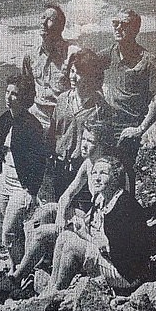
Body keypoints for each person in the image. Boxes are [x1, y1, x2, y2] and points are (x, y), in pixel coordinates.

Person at [11, 121, 115, 285]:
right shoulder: (88, 163)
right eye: (84, 139)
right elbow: (67, 195)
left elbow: (113, 214)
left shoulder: (108, 171)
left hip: (99, 230)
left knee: (41, 233)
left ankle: (17, 277)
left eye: (91, 141)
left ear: (102, 144)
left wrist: (81, 226)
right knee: (47, 210)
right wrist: (60, 216)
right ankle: (39, 261)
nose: (84, 145)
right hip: (91, 218)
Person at [46, 156, 152, 295]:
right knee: (64, 236)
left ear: (115, 178)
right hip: (113, 261)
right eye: (94, 173)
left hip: (126, 274)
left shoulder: (124, 206)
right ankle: (51, 288)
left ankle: (57, 293)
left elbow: (112, 250)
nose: (97, 178)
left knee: (71, 245)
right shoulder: (102, 197)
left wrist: (84, 234)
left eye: (103, 173)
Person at [99, 9, 156, 195]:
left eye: (125, 24)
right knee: (101, 171)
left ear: (136, 29)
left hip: (127, 130)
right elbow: (86, 67)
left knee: (124, 173)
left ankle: (127, 216)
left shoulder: (147, 61)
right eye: (115, 23)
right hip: (105, 126)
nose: (118, 28)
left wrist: (141, 128)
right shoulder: (108, 54)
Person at [0, 74, 47, 278]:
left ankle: (20, 274)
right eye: (7, 92)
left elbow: (40, 162)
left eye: (14, 94)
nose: (8, 97)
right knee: (14, 230)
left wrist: (32, 192)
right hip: (4, 183)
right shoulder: (4, 119)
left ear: (23, 97)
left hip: (21, 188)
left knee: (7, 232)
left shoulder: (33, 126)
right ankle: (18, 265)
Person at [49, 48, 114, 200]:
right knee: (62, 205)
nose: (73, 77)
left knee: (85, 211)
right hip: (61, 166)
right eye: (71, 71)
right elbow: (53, 132)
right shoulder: (62, 100)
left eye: (78, 73)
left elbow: (106, 144)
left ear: (90, 75)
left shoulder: (100, 107)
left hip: (86, 169)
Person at [22, 4, 80, 130]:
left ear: (60, 26)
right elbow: (26, 91)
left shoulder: (72, 54)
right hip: (35, 116)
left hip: (63, 119)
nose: (43, 22)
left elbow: (83, 91)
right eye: (42, 17)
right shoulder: (30, 56)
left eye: (50, 19)